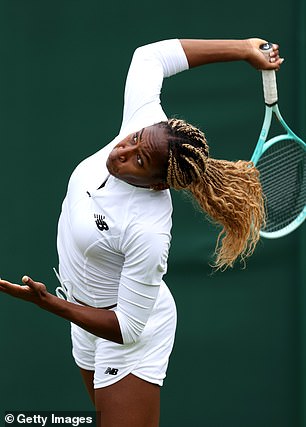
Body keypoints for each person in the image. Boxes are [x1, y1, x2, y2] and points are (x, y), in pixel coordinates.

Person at [0, 37, 283, 427]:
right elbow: (149, 56)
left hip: (130, 334)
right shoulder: (143, 123)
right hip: (84, 315)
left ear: (157, 185)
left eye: (139, 159)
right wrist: (243, 49)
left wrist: (51, 305)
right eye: (134, 140)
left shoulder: (148, 229)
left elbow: (129, 328)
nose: (123, 150)